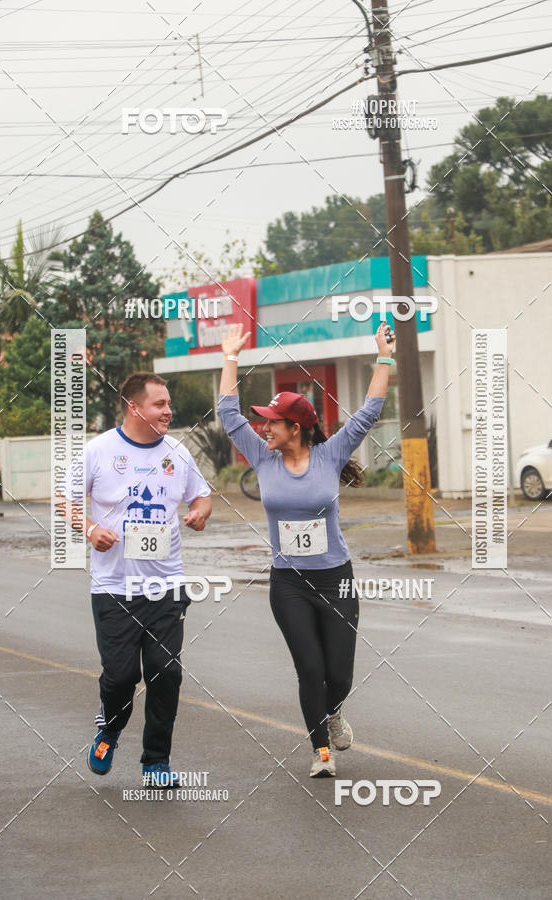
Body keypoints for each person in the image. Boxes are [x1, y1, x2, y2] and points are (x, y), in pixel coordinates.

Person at [217, 322, 395, 777]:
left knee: (339, 674)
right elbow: (228, 413)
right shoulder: (262, 457)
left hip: (335, 579)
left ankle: (333, 712)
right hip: (289, 583)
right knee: (309, 667)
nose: (263, 426)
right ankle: (321, 753)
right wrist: (230, 356)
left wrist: (384, 355)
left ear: (294, 428)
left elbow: (370, 412)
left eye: (272, 421)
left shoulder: (330, 455)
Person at [62, 372, 212, 785]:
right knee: (121, 676)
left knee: (167, 672)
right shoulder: (99, 451)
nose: (168, 411)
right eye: (159, 404)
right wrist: (91, 529)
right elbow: (64, 500)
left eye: (167, 404)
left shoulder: (177, 453)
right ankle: (109, 728)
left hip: (166, 586)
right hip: (114, 589)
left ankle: (156, 763)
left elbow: (202, 494)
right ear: (134, 407)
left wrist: (200, 512)